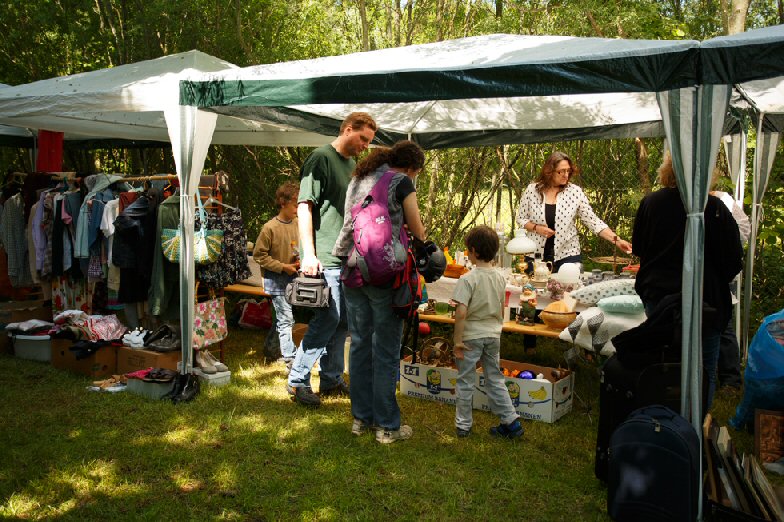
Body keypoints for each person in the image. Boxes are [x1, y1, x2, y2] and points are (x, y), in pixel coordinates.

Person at [632, 152, 743, 409]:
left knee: (663, 361)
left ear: (667, 171)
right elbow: (733, 261)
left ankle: (663, 418)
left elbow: (639, 247)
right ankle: (696, 418)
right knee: (704, 368)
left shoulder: (651, 203)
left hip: (659, 297)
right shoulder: (714, 208)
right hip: (706, 301)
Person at [333, 140, 426, 444]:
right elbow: (417, 228)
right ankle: (386, 426)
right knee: (385, 349)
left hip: (352, 266)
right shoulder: (402, 182)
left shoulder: (358, 179)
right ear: (411, 168)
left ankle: (360, 419)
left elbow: (350, 222)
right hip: (384, 273)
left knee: (360, 343)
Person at [287, 112, 377, 407]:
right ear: (348, 129)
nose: (365, 145)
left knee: (343, 321)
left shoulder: (351, 165)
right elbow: (304, 207)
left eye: (369, 141)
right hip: (323, 255)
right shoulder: (320, 158)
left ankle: (331, 378)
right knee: (329, 317)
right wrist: (309, 254)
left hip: (346, 257)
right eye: (363, 138)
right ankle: (297, 380)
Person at [451, 225, 523, 439]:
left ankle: (463, 426)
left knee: (465, 381)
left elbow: (461, 313)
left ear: (474, 251)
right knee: (495, 378)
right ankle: (511, 421)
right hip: (493, 335)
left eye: (468, 250)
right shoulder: (500, 278)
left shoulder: (467, 279)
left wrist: (457, 341)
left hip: (471, 336)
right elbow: (501, 307)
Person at [515, 151, 632, 272]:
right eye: (561, 171)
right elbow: (521, 219)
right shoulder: (532, 190)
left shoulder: (575, 192)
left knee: (570, 283)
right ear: (549, 171)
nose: (566, 175)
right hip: (535, 254)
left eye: (568, 171)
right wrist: (537, 228)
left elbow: (593, 221)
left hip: (567, 254)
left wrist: (617, 241)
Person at [252, 181, 300, 368]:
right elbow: (259, 255)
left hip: (293, 277)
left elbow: (298, 248)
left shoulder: (298, 223)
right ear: (282, 202)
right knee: (286, 319)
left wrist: (300, 260)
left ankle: (271, 349)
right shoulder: (269, 228)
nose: (297, 209)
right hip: (276, 280)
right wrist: (282, 267)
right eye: (295, 204)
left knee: (283, 318)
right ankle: (290, 359)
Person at [710, 178, 751, 389]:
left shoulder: (722, 200)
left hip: (718, 273)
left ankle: (730, 379)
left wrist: (723, 263)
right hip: (691, 273)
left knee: (723, 323)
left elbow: (743, 231)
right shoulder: (679, 201)